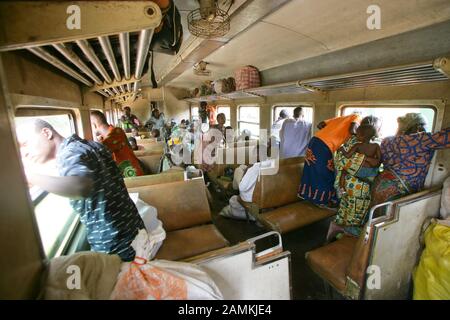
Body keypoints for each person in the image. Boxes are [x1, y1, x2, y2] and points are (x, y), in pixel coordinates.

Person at [18, 119, 145, 261]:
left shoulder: (68, 154)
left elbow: (80, 187)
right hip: (133, 230)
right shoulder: (89, 145)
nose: (24, 153)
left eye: (25, 144)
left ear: (46, 133)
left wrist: (27, 177)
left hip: (117, 245)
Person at [372, 113, 450, 206]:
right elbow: (445, 138)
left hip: (380, 185)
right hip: (399, 191)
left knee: (377, 218)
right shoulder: (420, 140)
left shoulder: (387, 140)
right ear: (418, 127)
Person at [330, 117, 382, 239]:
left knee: (344, 209)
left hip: (346, 183)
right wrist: (368, 160)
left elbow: (341, 160)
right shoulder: (374, 145)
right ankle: (344, 239)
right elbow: (377, 163)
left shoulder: (349, 142)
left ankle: (335, 234)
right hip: (360, 186)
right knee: (355, 215)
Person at [299, 112, 361, 207]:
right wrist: (362, 138)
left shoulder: (340, 118)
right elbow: (352, 130)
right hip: (324, 145)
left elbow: (320, 125)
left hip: (315, 140)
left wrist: (331, 133)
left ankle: (309, 196)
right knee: (326, 172)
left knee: (312, 171)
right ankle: (323, 200)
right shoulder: (357, 117)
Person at [90, 111, 143, 178]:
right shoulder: (113, 133)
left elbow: (100, 150)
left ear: (94, 125)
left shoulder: (116, 133)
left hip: (131, 174)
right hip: (122, 174)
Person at [337, 124, 381, 196]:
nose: (356, 136)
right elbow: (379, 160)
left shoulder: (357, 145)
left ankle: (342, 189)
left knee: (343, 171)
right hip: (372, 172)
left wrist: (342, 149)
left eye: (357, 134)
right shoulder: (376, 145)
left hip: (359, 171)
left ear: (362, 136)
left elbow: (347, 155)